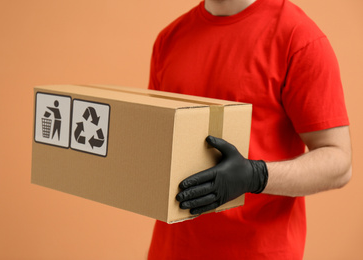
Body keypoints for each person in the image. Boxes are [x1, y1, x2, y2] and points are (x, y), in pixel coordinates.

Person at [147, 0, 352, 259]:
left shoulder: (297, 37)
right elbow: (156, 142)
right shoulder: (169, 39)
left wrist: (256, 176)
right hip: (171, 250)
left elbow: (339, 162)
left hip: (259, 251)